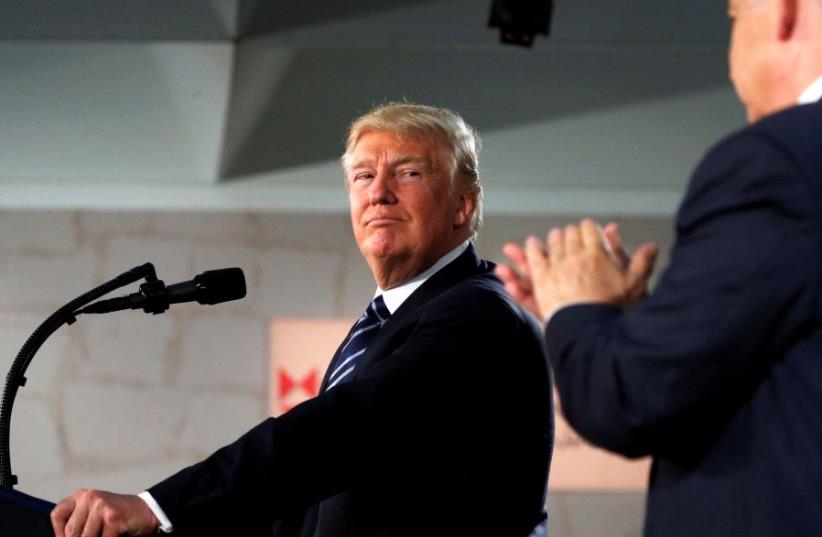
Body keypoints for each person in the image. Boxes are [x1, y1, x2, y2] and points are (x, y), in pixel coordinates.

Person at [51, 103, 553, 537]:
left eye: (409, 173)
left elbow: (345, 429)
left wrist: (157, 508)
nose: (378, 193)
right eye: (362, 176)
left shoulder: (480, 313)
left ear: (463, 205)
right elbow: (312, 499)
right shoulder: (387, 322)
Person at [496, 0, 822, 535]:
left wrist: (578, 309)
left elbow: (630, 398)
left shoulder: (779, 161)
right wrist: (628, 322)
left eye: (734, 17)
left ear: (783, 12)